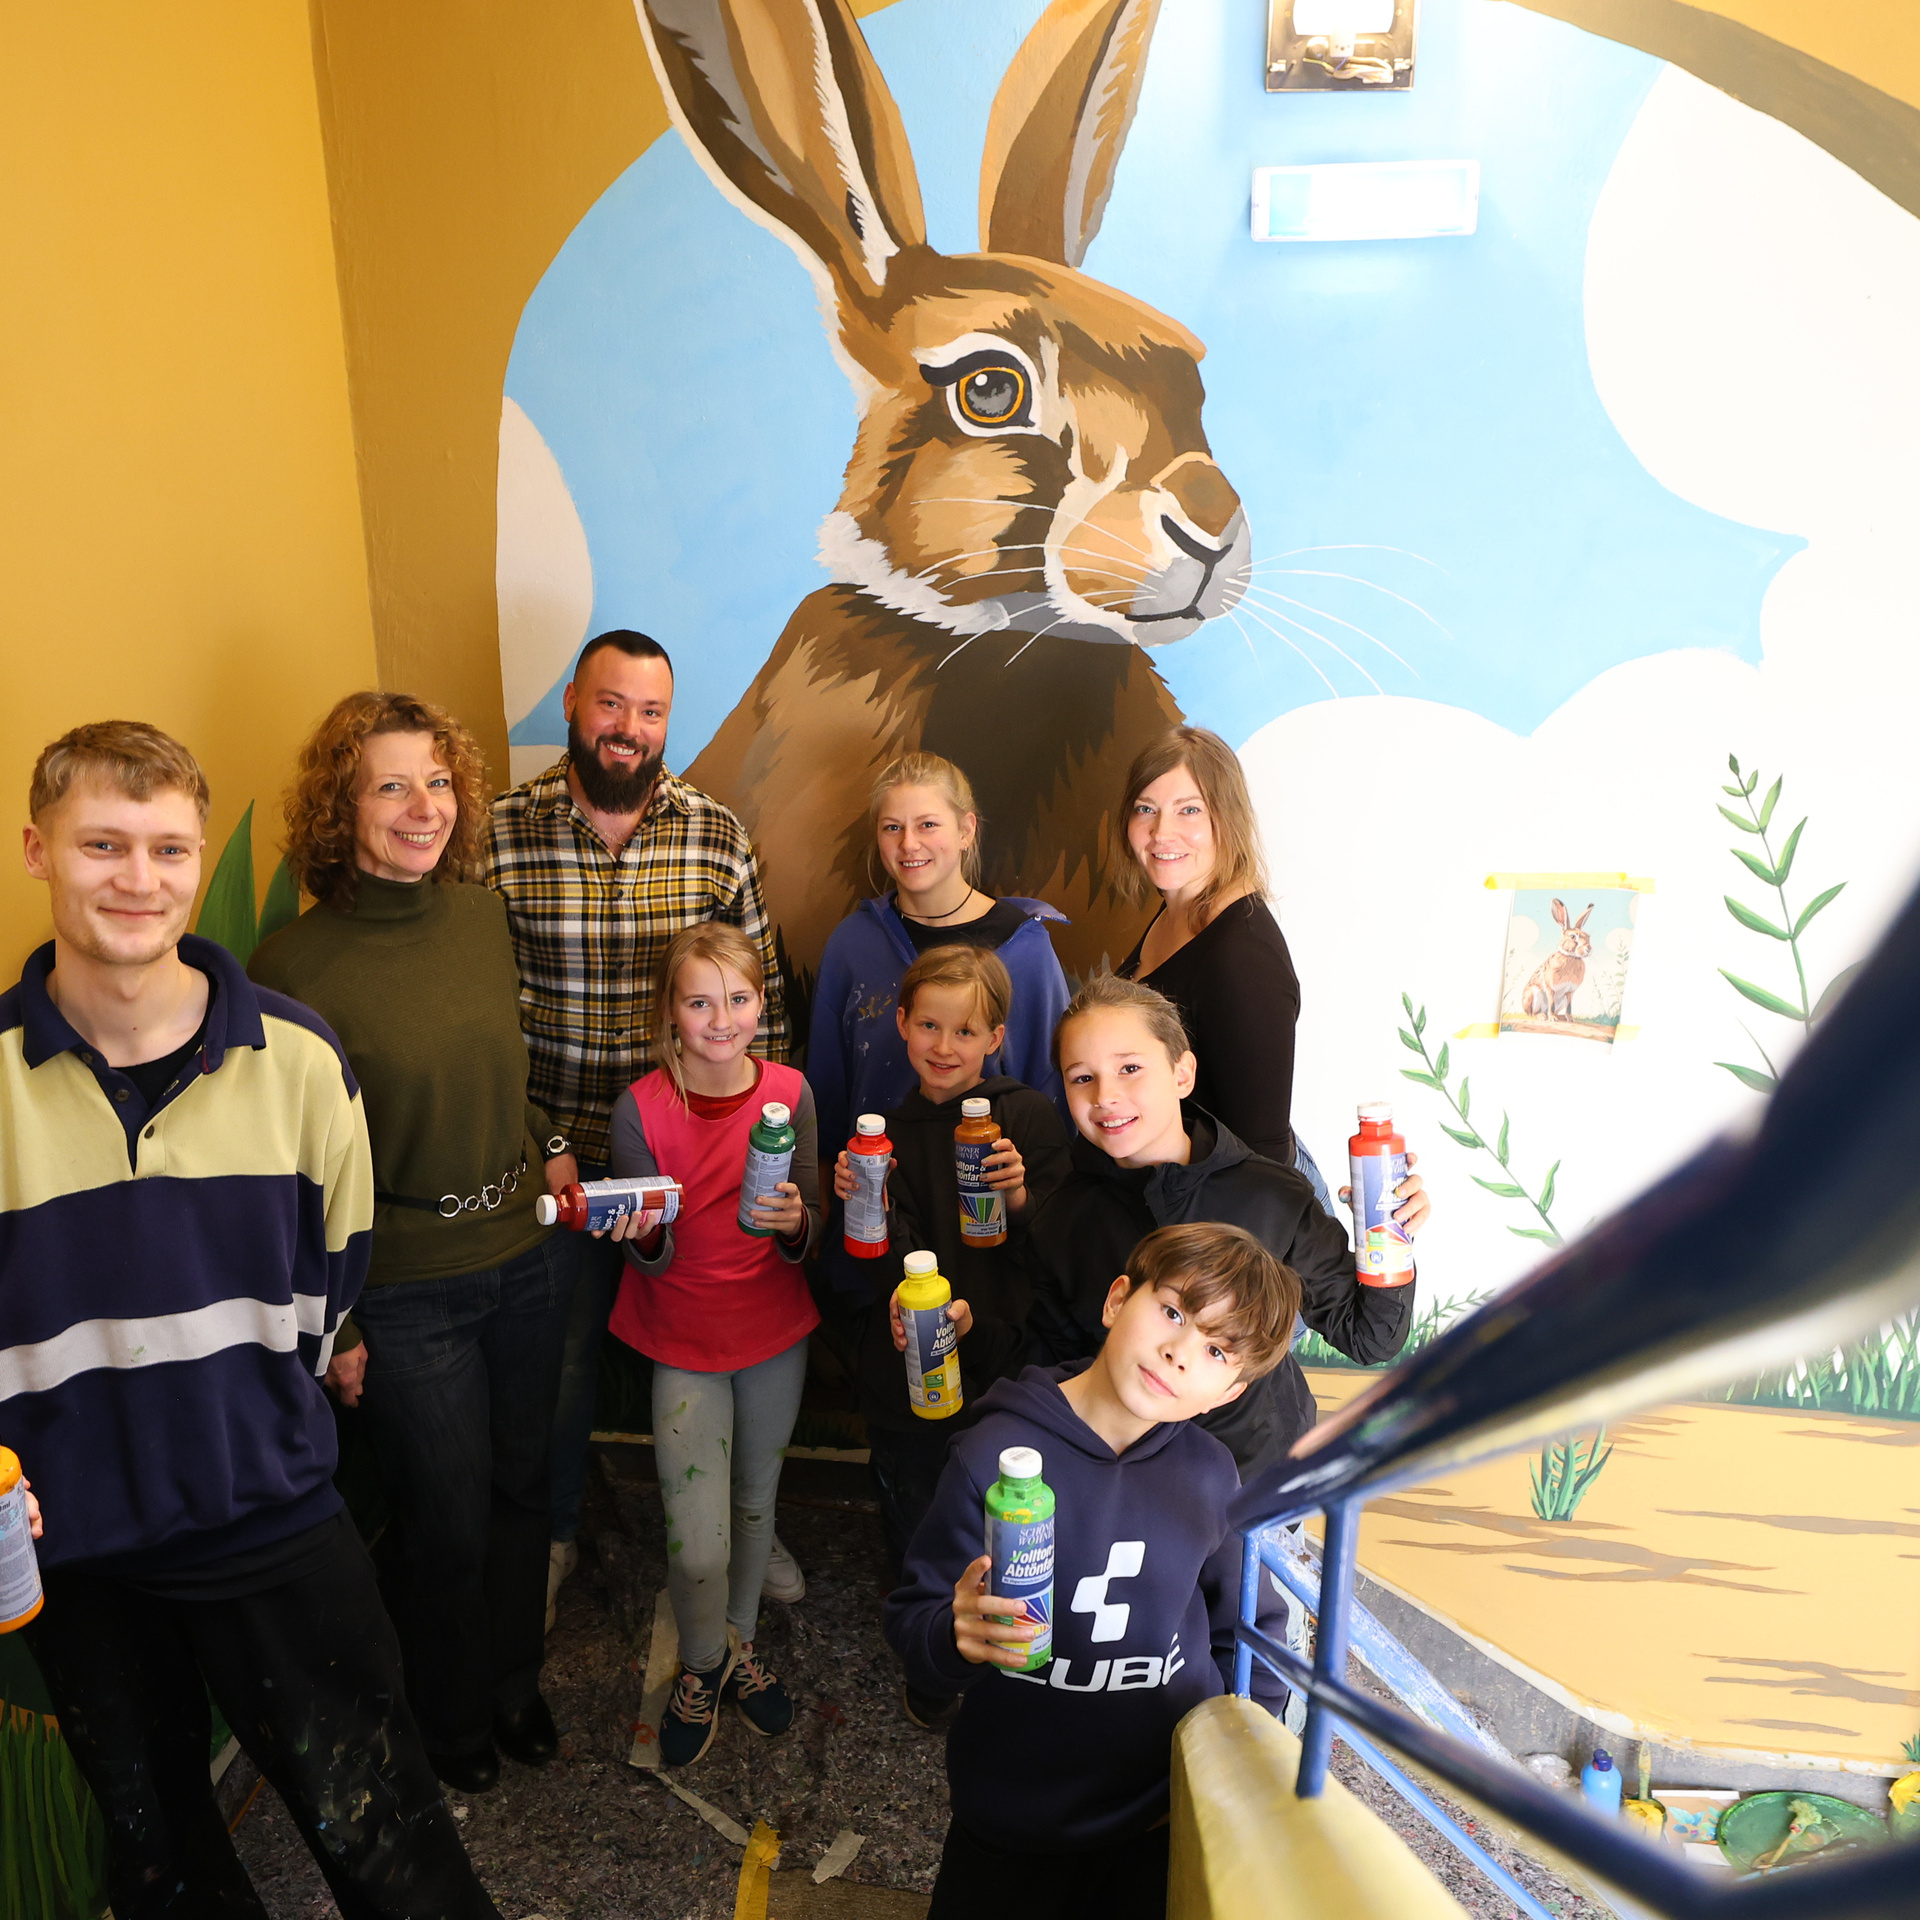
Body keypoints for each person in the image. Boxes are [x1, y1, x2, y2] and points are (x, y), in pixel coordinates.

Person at [2, 721, 498, 1919]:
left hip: (268, 1512)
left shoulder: (299, 1063)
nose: (139, 878)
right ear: (36, 852)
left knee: (394, 1844)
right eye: (103, 845)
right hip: (75, 1547)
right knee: (163, 1855)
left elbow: (332, 1286)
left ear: (198, 858)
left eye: (170, 849)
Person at [250, 691, 575, 1795]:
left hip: (521, 1252)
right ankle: (449, 1718)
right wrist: (333, 1318)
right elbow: (285, 1164)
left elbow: (495, 1073)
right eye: (390, 784)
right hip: (402, 1288)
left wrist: (550, 1143)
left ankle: (512, 1684)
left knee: (525, 1486)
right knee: (442, 1517)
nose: (422, 806)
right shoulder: (289, 966)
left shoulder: (480, 915)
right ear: (341, 805)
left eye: (438, 781)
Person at [484, 629, 798, 1621]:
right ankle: (557, 1533)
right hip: (564, 1158)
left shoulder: (715, 836)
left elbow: (765, 1003)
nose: (628, 729)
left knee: (727, 1345)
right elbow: (476, 1010)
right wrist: (542, 1145)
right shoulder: (496, 836)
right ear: (574, 700)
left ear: (671, 721)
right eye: (611, 705)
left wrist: (769, 1141)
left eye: (650, 712)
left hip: (698, 1155)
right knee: (565, 1363)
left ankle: (750, 1524)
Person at [883, 1223, 1294, 1919]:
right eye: (1172, 1312)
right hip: (1011, 1823)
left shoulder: (1212, 1475)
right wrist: (952, 1635)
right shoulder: (994, 1454)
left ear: (1229, 1391)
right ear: (1115, 1300)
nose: (1178, 1353)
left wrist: (1245, 1761)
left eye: (1216, 1349)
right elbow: (913, 1621)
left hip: (1158, 1819)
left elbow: (1252, 1630)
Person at [1025, 975, 1430, 1480]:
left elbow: (1370, 1338)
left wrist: (1390, 1239)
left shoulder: (1271, 1193)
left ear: (1182, 1073)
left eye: (1129, 1068)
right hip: (1129, 1486)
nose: (1106, 1095)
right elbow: (1051, 1368)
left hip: (1256, 1480)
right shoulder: (1061, 1219)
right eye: (1082, 1078)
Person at [600, 923, 821, 1765]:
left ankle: (734, 1644)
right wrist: (643, 1232)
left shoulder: (792, 1094)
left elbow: (811, 1220)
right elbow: (644, 1256)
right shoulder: (642, 1109)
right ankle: (699, 1666)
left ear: (761, 1005)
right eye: (700, 1002)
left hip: (774, 1331)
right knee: (697, 1538)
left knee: (755, 1504)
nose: (721, 1018)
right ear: (672, 1014)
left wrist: (801, 1221)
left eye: (737, 998)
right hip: (682, 1339)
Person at [831, 945, 1070, 1589]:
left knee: (1005, 1537)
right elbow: (883, 1261)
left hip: (1009, 1369)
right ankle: (929, 1663)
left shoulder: (1024, 1117)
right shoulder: (886, 1137)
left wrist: (1017, 1197)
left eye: (965, 1031)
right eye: (930, 1026)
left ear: (994, 1038)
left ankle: (1005, 1651)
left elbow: (1061, 1250)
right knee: (918, 1532)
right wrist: (864, 1200)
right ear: (903, 1022)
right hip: (911, 1382)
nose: (944, 1046)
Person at [808, 754, 1070, 1277]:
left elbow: (1056, 1100)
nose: (909, 844)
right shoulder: (852, 945)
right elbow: (827, 1099)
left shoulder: (1026, 950)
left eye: (928, 824)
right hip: (877, 1230)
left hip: (992, 1238)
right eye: (892, 827)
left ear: (967, 828)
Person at [1114, 725, 1309, 1177]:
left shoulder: (1241, 954)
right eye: (1147, 809)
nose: (1163, 832)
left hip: (1239, 1219)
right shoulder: (1177, 910)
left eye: (1189, 810)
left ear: (1227, 819)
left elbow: (1263, 1159)